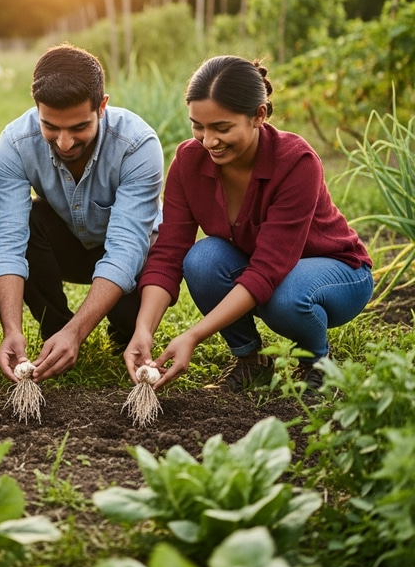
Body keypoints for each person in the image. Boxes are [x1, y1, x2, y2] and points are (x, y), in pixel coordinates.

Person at [126, 55, 374, 393]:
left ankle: (319, 362)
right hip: (272, 270)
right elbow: (168, 252)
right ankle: (250, 361)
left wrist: (193, 336)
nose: (208, 140)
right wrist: (144, 328)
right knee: (202, 259)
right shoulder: (188, 161)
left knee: (285, 298)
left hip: (339, 272)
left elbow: (268, 270)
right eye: (198, 125)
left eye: (222, 128)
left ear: (258, 115)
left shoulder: (296, 162)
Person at [0, 43, 164, 383]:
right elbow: (6, 243)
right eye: (51, 126)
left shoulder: (138, 145)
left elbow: (127, 249)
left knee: (128, 319)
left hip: (135, 251)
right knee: (28, 221)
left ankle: (106, 328)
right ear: (36, 109)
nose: (65, 142)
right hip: (66, 243)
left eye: (79, 127)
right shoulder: (15, 143)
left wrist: (78, 332)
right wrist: (11, 328)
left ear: (102, 106)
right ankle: (55, 328)